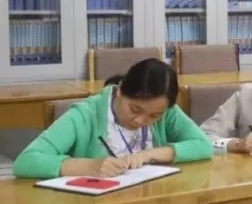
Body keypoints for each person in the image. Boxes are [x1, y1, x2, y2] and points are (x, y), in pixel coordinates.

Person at [12, 58, 213, 179]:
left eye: (154, 116)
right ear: (120, 90)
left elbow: (204, 145)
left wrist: (150, 154)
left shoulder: (166, 112)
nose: (141, 121)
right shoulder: (85, 115)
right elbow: (26, 161)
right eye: (135, 109)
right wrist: (89, 167)